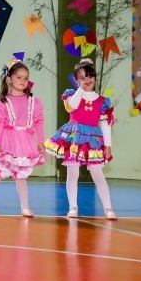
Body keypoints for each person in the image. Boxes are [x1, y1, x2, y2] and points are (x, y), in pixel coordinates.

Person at [45, 58, 118, 220]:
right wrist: (80, 90)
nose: (87, 80)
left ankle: (108, 208)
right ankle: (73, 207)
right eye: (82, 77)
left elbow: (105, 124)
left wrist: (108, 145)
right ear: (76, 80)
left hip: (93, 140)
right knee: (72, 174)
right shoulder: (71, 95)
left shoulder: (102, 101)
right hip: (74, 137)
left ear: (95, 78)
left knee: (98, 174)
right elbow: (72, 106)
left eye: (90, 76)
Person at [0, 59, 45, 217]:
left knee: (21, 175)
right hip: (7, 142)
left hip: (24, 142)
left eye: (26, 78)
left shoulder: (34, 102)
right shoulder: (2, 102)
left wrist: (41, 142)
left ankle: (25, 207)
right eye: (18, 77)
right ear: (9, 79)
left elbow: (38, 122)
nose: (23, 81)